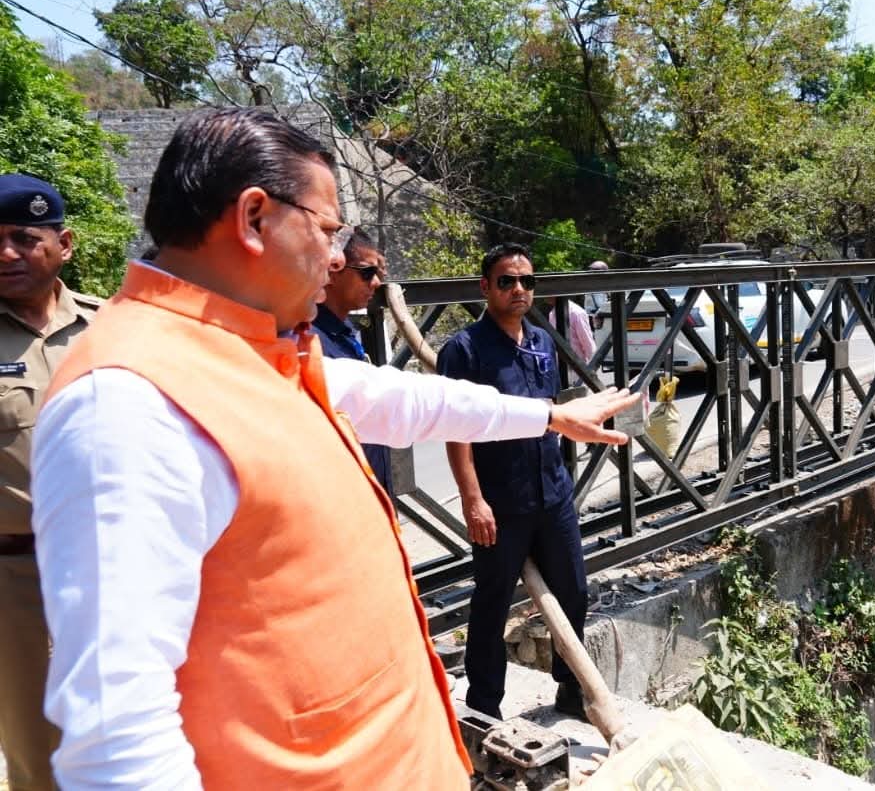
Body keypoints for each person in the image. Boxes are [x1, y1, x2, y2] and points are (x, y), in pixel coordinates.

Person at [30, 108, 638, 790]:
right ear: (254, 218)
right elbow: (118, 742)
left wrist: (551, 416)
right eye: (326, 230)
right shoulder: (126, 404)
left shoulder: (257, 350)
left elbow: (401, 400)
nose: (340, 258)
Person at [437, 244, 590, 722]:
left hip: (552, 493)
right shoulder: (464, 350)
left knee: (574, 591)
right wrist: (473, 500)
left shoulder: (542, 341)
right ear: (486, 288)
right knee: (492, 603)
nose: (519, 289)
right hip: (500, 502)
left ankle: (571, 689)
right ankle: (484, 708)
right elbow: (456, 431)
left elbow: (550, 413)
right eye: (507, 281)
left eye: (527, 281)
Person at [0, 174, 97, 791]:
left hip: (112, 565)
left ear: (63, 244)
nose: (6, 253)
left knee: (132, 730)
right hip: (16, 582)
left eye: (23, 238)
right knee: (39, 754)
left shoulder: (109, 326)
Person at [313, 226, 393, 491]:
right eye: (367, 273)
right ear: (332, 269)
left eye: (378, 274)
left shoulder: (344, 334)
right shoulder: (310, 342)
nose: (376, 283)